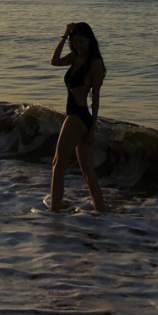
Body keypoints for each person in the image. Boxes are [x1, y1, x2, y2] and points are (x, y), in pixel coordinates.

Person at [48, 22, 106, 212]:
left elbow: (95, 98)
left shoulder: (95, 64)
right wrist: (64, 35)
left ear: (90, 40)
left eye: (82, 41)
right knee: (87, 171)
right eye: (76, 42)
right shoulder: (75, 58)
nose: (79, 45)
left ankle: (54, 210)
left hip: (78, 117)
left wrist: (93, 128)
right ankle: (102, 211)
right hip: (76, 116)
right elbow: (54, 61)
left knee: (58, 164)